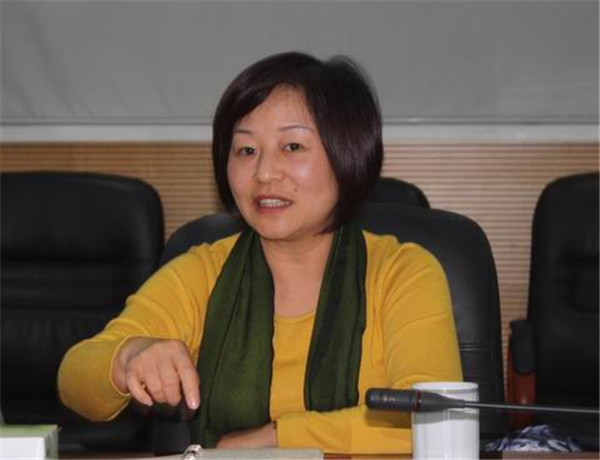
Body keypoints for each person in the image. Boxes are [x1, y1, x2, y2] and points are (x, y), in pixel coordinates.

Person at [58, 52, 462, 454]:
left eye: (292, 146)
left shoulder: (403, 273)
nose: (265, 173)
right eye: (246, 151)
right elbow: (74, 380)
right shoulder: (202, 272)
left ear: (348, 155)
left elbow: (431, 417)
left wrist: (275, 439)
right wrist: (128, 357)